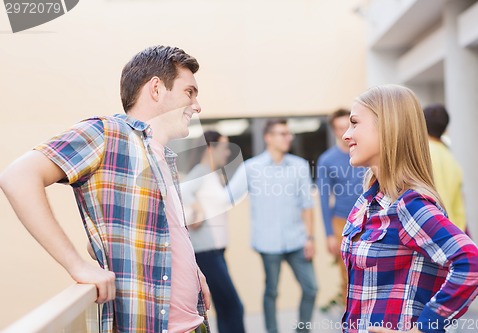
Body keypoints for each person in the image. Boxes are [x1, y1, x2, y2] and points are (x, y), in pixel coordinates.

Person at [0, 45, 211, 333]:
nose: (197, 105)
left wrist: (192, 270)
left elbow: (155, 232)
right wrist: (75, 265)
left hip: (195, 322)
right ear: (156, 88)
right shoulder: (107, 133)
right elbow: (17, 177)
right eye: (190, 92)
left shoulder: (164, 157)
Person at [340, 84, 478, 333]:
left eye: (355, 123)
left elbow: (474, 266)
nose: (346, 134)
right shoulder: (368, 202)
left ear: (388, 128)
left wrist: (423, 329)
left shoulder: (408, 205)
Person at [228, 118, 318, 333]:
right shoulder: (251, 168)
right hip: (268, 243)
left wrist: (310, 238)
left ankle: (302, 330)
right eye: (282, 134)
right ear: (268, 137)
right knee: (271, 292)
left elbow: (307, 205)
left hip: (297, 240)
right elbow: (229, 194)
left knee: (311, 288)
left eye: (289, 133)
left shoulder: (299, 166)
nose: (288, 137)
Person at [181, 130, 245, 333]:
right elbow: (181, 195)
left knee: (226, 308)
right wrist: (195, 210)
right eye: (224, 148)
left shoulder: (212, 174)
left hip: (216, 251)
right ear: (211, 149)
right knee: (233, 307)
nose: (227, 153)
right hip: (206, 252)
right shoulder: (200, 172)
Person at [316, 108, 365, 305]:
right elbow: (323, 199)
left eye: (349, 125)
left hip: (369, 218)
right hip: (341, 222)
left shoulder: (366, 153)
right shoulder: (326, 160)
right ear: (334, 131)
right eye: (339, 128)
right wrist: (329, 234)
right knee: (347, 276)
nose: (345, 131)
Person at [423, 104, 466, 232]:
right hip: (454, 231)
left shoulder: (422, 153)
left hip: (432, 230)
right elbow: (459, 205)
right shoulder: (450, 157)